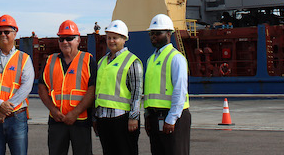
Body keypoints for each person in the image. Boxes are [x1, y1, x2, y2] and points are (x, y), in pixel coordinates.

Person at [0, 14, 34, 155]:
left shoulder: (24, 59)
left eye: (7, 32)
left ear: (15, 33)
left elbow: (26, 88)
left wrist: (4, 109)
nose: (3, 35)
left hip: (17, 117)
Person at [39, 20, 97, 155]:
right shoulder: (50, 61)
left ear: (78, 40)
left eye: (69, 38)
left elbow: (92, 90)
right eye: (61, 39)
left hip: (80, 121)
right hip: (56, 120)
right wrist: (53, 110)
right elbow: (42, 87)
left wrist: (75, 113)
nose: (65, 42)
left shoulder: (88, 60)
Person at [93, 20, 142, 155]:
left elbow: (136, 92)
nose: (111, 41)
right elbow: (98, 90)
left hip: (122, 119)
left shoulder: (132, 61)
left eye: (115, 38)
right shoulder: (102, 61)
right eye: (109, 38)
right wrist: (95, 116)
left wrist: (133, 117)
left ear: (124, 39)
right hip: (103, 118)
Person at [144, 14, 190, 155]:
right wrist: (147, 116)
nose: (154, 36)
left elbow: (179, 90)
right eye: (152, 33)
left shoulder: (176, 58)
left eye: (158, 33)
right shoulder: (151, 59)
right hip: (155, 116)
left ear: (169, 34)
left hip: (173, 117)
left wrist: (171, 119)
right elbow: (149, 91)